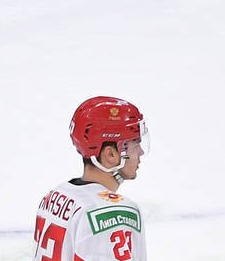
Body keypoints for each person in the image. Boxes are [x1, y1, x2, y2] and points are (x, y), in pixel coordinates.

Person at [34, 97, 152, 260]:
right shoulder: (113, 213)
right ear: (111, 154)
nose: (141, 152)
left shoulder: (53, 197)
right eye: (135, 144)